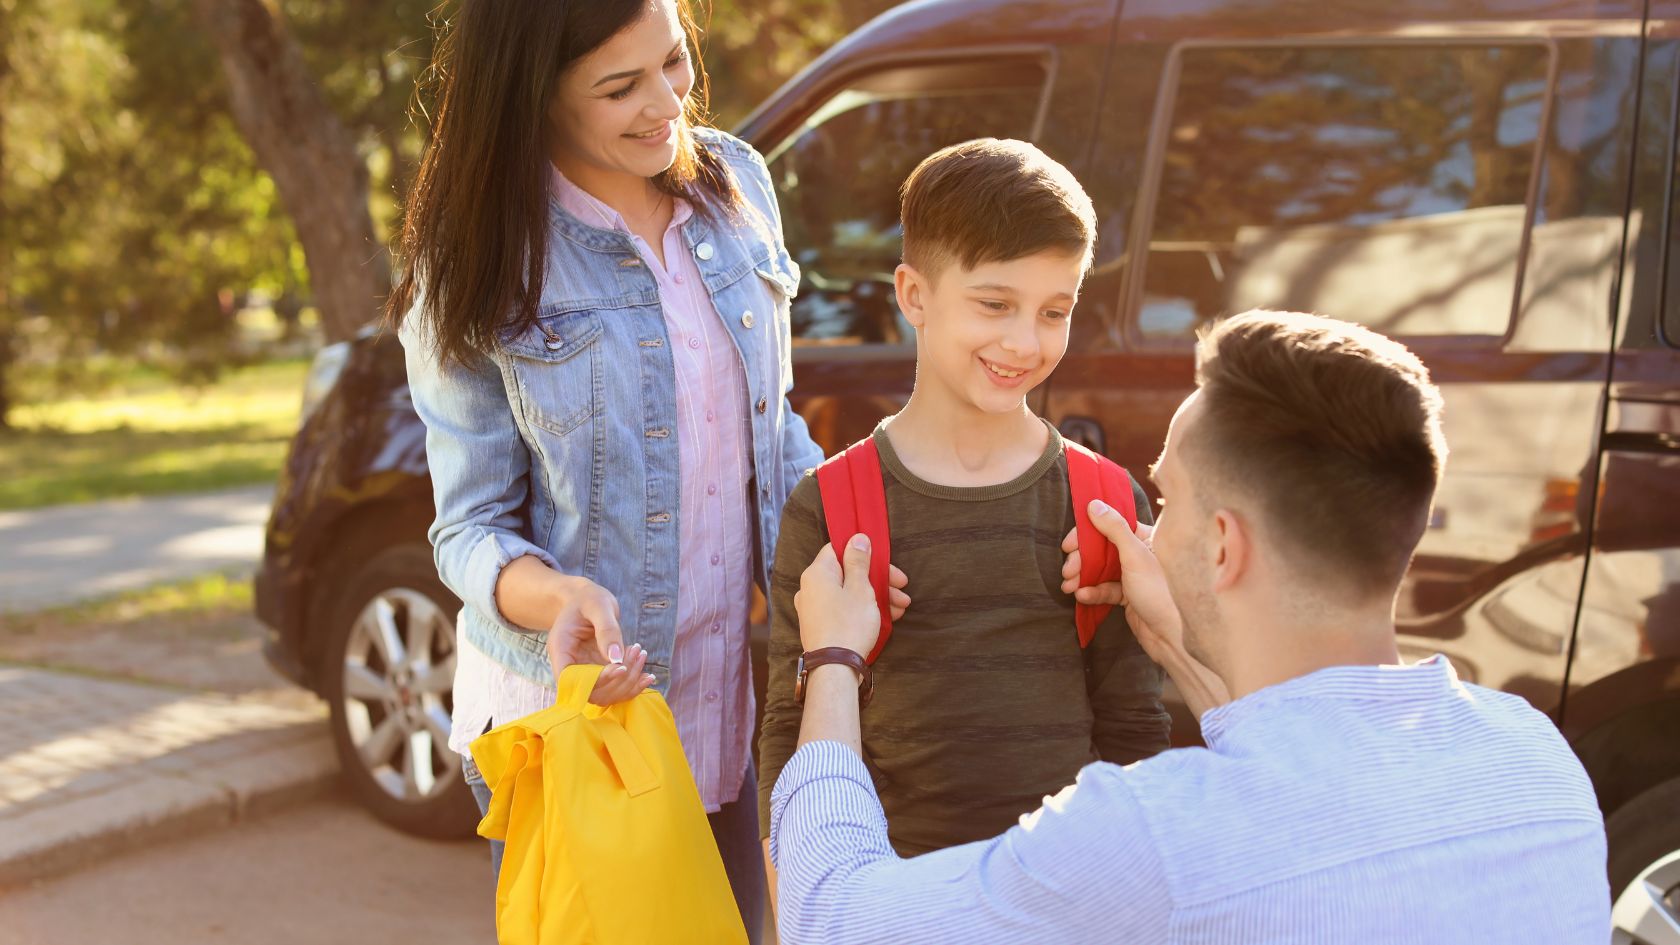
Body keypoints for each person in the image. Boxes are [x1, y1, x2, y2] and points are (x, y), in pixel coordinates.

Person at [768, 310, 1611, 943]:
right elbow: (1305, 770)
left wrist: (835, 656)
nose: (1144, 531)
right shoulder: (1537, 763)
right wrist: (1173, 638)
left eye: (1164, 502)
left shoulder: (1156, 834)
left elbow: (835, 917)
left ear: (1221, 546)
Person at [388, 1, 904, 938]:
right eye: (619, 86)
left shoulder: (736, 184)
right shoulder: (475, 249)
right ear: (531, 96)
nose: (666, 103)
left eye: (673, 62)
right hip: (580, 716)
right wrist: (556, 598)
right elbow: (466, 529)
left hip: (726, 703)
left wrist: (850, 553)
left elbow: (770, 426)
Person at [757, 138, 1170, 891]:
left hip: (1066, 900)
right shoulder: (831, 505)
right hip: (894, 901)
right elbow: (792, 737)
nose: (1025, 341)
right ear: (914, 295)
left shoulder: (1104, 504)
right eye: (994, 304)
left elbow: (1132, 729)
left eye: (1056, 311)